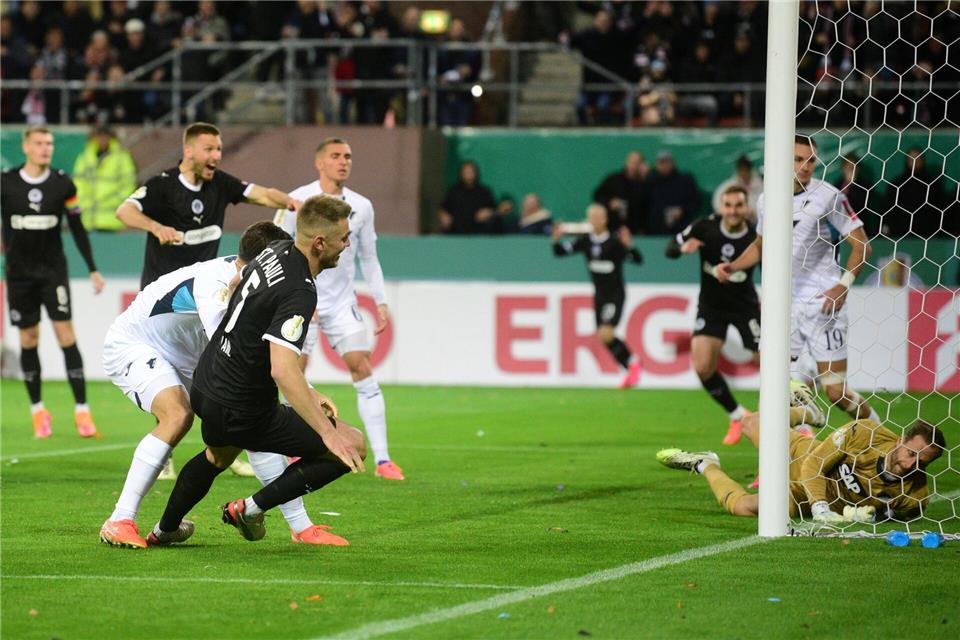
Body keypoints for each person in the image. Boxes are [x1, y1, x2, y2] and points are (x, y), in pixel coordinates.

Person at [99, 222, 346, 548]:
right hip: (137, 344)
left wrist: (305, 388)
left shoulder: (252, 277)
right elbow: (240, 347)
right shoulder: (215, 283)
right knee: (177, 415)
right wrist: (306, 392)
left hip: (190, 358)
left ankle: (298, 526)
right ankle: (119, 519)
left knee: (246, 430)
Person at [148, 196, 366, 547]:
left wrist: (309, 394)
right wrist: (328, 434)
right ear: (320, 243)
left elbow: (235, 286)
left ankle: (164, 530)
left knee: (218, 455)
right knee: (350, 444)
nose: (347, 245)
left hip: (209, 382)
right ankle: (248, 509)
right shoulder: (300, 291)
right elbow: (282, 369)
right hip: (242, 404)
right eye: (343, 238)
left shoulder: (275, 250)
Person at [718, 135, 878, 423]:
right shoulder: (768, 199)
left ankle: (879, 436)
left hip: (822, 307)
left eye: (811, 160)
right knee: (776, 390)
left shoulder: (829, 196)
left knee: (836, 392)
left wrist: (843, 286)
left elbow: (863, 245)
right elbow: (759, 245)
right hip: (784, 309)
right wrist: (732, 267)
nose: (805, 166)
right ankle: (781, 461)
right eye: (798, 159)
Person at [275, 137, 403, 480]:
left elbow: (369, 257)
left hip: (342, 302)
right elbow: (280, 247)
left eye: (347, 156)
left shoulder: (363, 206)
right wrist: (292, 294)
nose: (343, 161)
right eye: (335, 156)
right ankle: (291, 452)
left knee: (361, 365)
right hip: (303, 301)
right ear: (319, 163)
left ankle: (383, 459)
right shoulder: (297, 201)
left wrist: (381, 300)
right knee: (293, 374)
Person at [657, 411, 945, 524]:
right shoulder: (864, 433)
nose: (910, 464)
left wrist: (869, 516)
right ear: (900, 440)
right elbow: (814, 465)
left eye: (922, 462)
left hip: (809, 498)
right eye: (910, 453)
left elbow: (892, 517)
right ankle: (806, 411)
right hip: (804, 458)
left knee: (746, 507)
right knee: (750, 424)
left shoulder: (915, 496)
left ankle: (704, 463)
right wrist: (821, 506)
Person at [1, 127, 105, 439]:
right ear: (26, 146)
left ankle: (82, 411)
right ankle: (38, 412)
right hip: (19, 274)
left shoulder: (62, 183)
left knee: (65, 334)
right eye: (39, 143)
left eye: (49, 143)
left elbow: (77, 226)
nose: (46, 148)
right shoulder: (6, 182)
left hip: (52, 272)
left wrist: (92, 268)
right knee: (29, 339)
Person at [115, 122, 300, 289]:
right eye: (209, 149)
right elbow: (124, 211)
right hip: (160, 292)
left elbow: (264, 195)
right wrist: (156, 227)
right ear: (189, 151)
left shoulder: (221, 183)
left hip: (198, 290)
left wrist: (290, 201)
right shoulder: (162, 185)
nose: (217, 156)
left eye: (219, 149)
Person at [665, 186, 759, 445]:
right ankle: (737, 415)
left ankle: (798, 422)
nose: (733, 211)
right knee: (703, 366)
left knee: (772, 364)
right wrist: (682, 249)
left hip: (745, 306)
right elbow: (670, 248)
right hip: (712, 306)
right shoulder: (704, 227)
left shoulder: (756, 234)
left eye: (738, 205)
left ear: (746, 207)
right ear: (721, 207)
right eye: (728, 205)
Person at [552, 203, 643, 388]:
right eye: (591, 217)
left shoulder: (614, 242)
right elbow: (560, 252)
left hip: (615, 294)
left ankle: (633, 364)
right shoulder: (585, 241)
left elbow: (638, 260)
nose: (595, 220)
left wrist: (630, 246)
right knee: (603, 336)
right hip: (600, 295)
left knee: (605, 332)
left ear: (605, 219)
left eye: (598, 217)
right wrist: (556, 240)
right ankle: (632, 365)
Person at [72, 126, 137, 231]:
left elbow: (128, 183)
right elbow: (78, 182)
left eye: (105, 136)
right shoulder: (85, 157)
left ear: (110, 137)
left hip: (112, 217)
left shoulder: (122, 157)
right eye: (99, 136)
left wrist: (115, 201)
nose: (102, 140)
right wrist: (85, 202)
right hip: (89, 217)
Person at [643, 151, 701, 235]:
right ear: (656, 165)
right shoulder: (650, 181)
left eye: (667, 162)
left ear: (673, 163)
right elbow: (641, 204)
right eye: (661, 162)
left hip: (681, 230)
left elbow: (696, 202)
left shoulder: (685, 180)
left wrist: (682, 210)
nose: (664, 166)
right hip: (655, 232)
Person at [592, 151, 648, 232]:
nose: (633, 166)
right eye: (631, 162)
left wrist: (645, 177)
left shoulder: (645, 183)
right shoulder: (614, 179)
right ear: (627, 162)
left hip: (636, 230)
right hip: (612, 228)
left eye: (637, 163)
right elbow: (597, 195)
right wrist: (610, 202)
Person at [438, 161, 497, 234]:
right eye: (465, 172)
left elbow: (494, 210)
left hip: (479, 233)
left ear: (476, 173)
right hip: (456, 233)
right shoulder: (454, 191)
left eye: (470, 172)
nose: (468, 175)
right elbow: (444, 208)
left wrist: (488, 213)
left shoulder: (484, 192)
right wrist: (443, 215)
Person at [711, 155, 762, 221]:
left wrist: (753, 212)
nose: (744, 173)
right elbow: (717, 203)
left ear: (750, 170)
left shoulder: (760, 186)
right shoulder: (728, 186)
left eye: (746, 170)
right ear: (738, 170)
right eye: (741, 170)